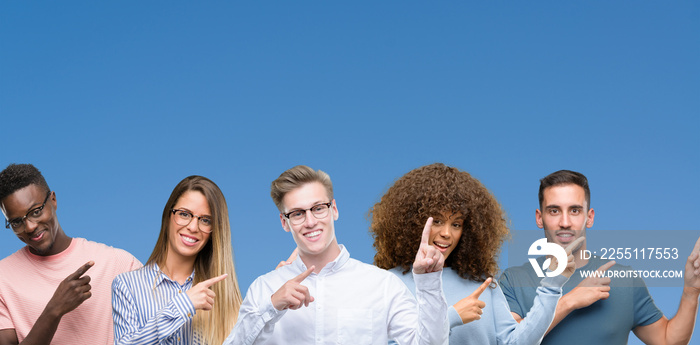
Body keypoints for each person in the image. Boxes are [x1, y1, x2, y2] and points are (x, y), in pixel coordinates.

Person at [224, 165, 449, 345]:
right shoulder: (264, 289)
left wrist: (428, 282)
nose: (310, 221)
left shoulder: (383, 285)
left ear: (334, 209)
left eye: (318, 208)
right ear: (285, 222)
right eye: (297, 213)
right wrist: (271, 307)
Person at [370, 163, 578, 344]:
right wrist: (451, 317)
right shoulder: (388, 283)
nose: (446, 233)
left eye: (456, 224)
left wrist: (552, 285)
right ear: (412, 223)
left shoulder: (483, 284)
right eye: (438, 221)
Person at [499, 170, 700, 345]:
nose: (565, 222)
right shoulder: (514, 280)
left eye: (575, 210)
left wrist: (691, 291)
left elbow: (667, 340)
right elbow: (512, 342)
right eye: (554, 211)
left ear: (590, 217)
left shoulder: (624, 279)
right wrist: (569, 302)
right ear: (539, 218)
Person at [0, 163, 141, 345]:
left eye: (36, 212)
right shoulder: (3, 279)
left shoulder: (119, 264)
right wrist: (53, 310)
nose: (30, 227)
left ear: (53, 200)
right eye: (16, 222)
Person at [112, 175, 243, 344]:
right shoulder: (127, 285)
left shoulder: (225, 295)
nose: (193, 227)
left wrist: (267, 299)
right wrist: (183, 305)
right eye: (184, 214)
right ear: (168, 216)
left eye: (205, 220)